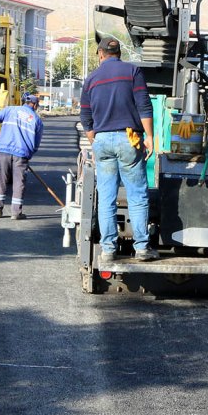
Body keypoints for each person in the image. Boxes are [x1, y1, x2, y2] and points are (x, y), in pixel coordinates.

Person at [80, 37, 156, 262]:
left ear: (100, 54)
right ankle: (142, 248)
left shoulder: (91, 79)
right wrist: (149, 136)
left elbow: (85, 116)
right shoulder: (133, 71)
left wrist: (95, 142)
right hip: (129, 138)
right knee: (137, 195)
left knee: (106, 197)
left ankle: (108, 249)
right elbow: (144, 104)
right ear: (118, 53)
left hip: (102, 140)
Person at [0, 94, 44, 220]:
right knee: (19, 182)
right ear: (35, 105)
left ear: (24, 102)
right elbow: (36, 144)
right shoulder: (37, 120)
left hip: (4, 150)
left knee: (1, 180)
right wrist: (29, 155)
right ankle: (16, 213)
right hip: (22, 154)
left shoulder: (10, 110)